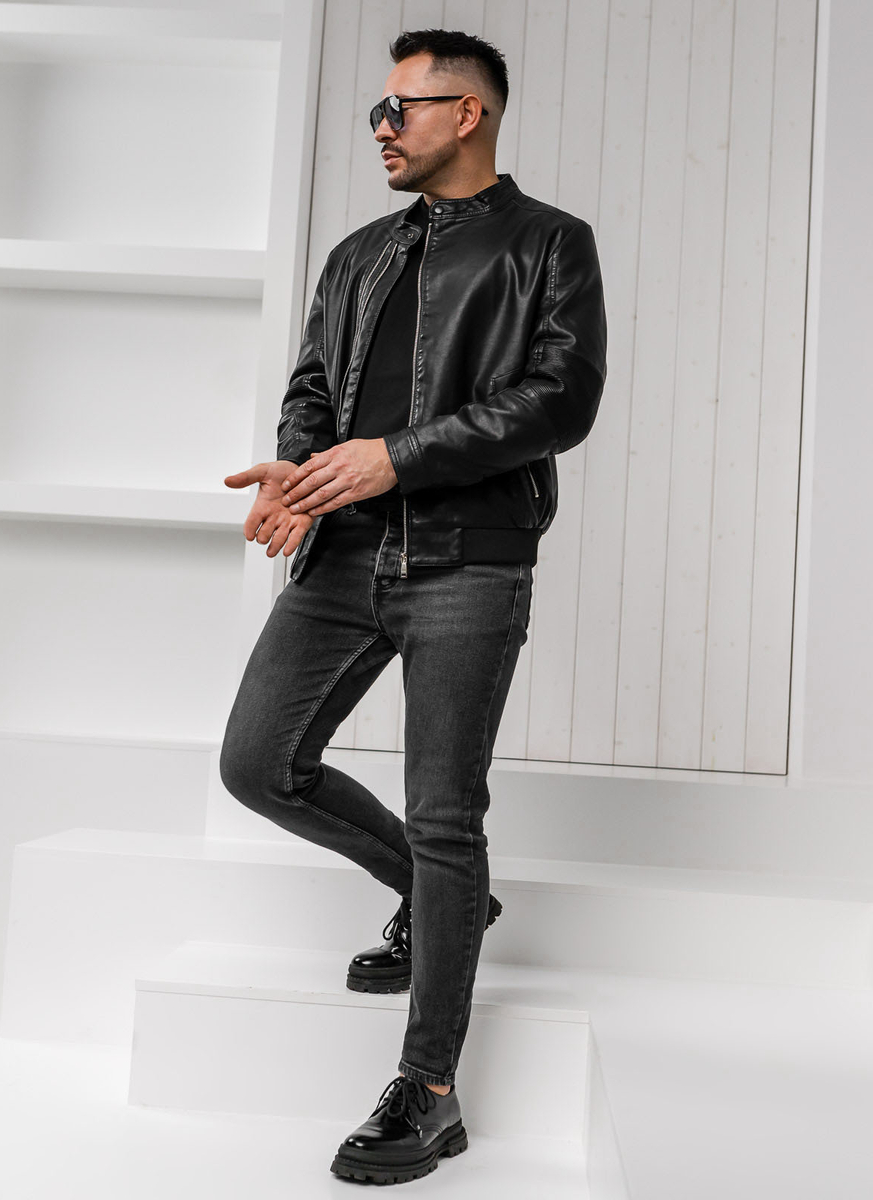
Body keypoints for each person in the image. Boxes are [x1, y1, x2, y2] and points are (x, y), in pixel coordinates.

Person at [219, 27, 607, 1187]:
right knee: (258, 763)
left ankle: (428, 1093)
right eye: (376, 112)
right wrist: (299, 472)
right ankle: (445, 904)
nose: (381, 128)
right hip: (342, 555)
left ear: (467, 114)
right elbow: (311, 385)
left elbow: (560, 399)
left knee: (446, 816)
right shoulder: (357, 256)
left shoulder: (549, 243)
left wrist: (395, 457)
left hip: (469, 560)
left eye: (402, 108)